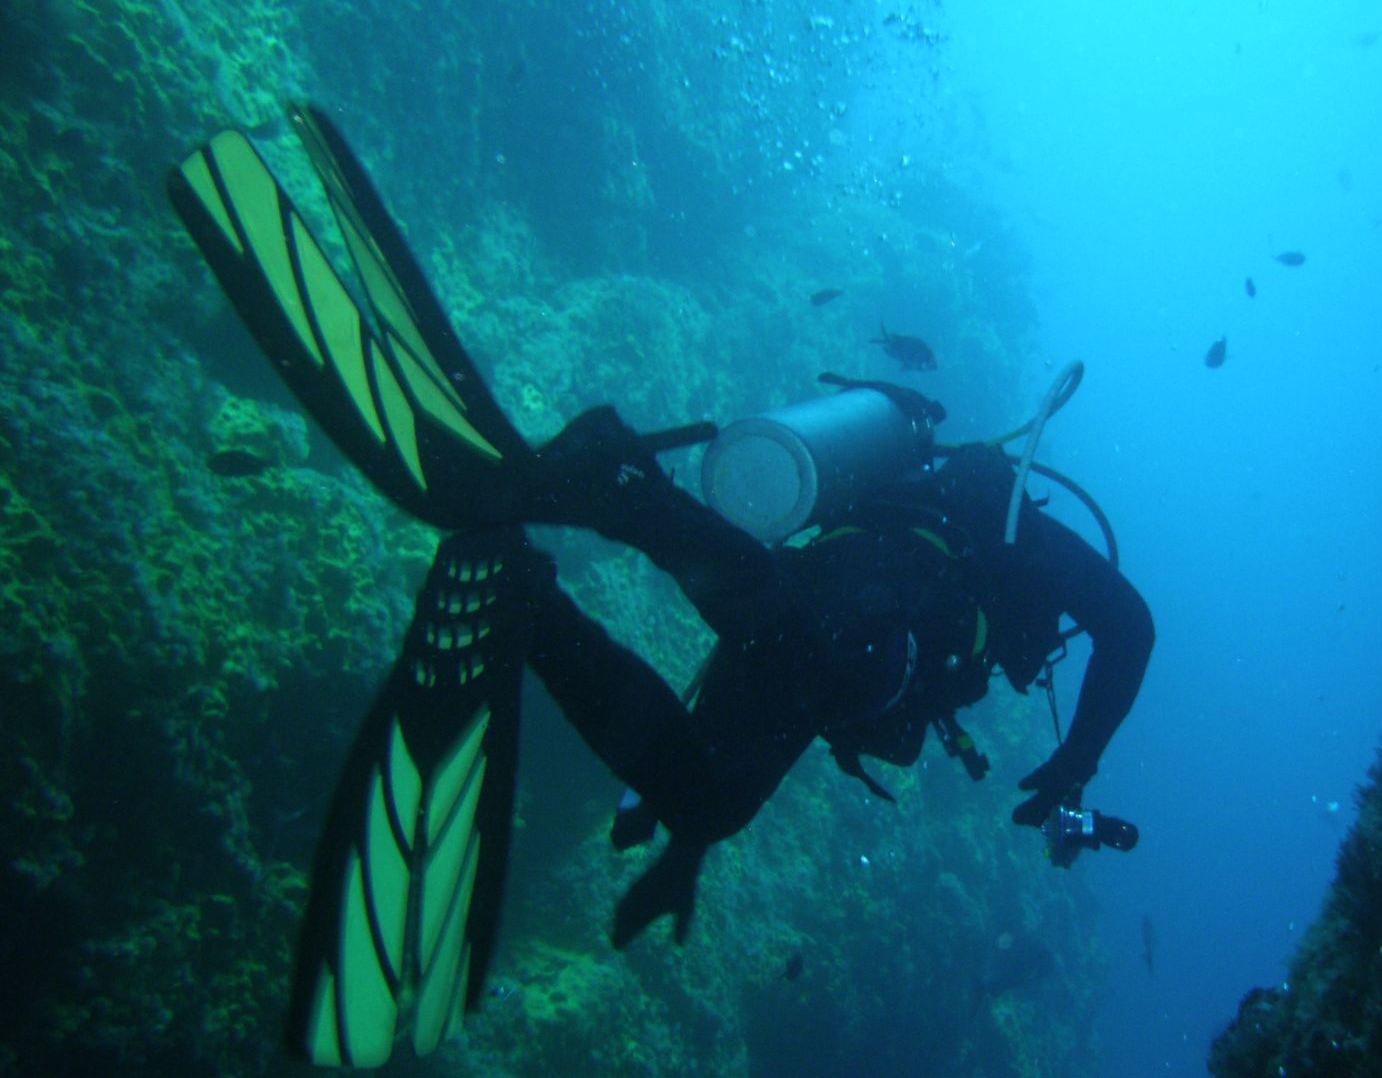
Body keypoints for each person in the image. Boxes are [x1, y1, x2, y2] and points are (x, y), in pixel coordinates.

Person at [168, 105, 1151, 1067]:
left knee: (711, 801)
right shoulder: (1027, 537)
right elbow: (1131, 626)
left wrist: (684, 850)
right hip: (859, 623)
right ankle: (615, 493)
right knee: (820, 646)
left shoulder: (960, 513)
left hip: (817, 621)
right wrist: (1076, 764)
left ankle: (532, 599)